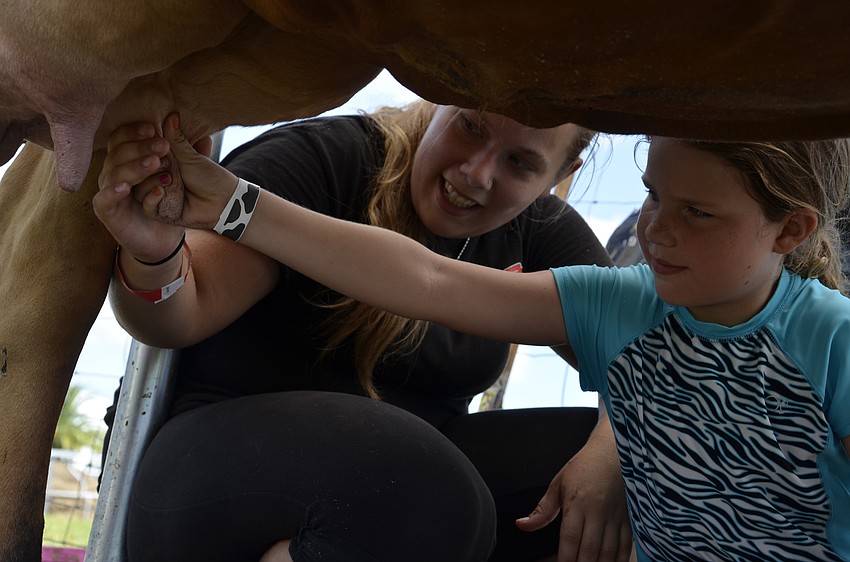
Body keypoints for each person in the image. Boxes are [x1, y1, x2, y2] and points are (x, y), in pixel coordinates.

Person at [98, 120, 850, 561]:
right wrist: (234, 204)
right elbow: (427, 280)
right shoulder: (620, 298)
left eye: (698, 213)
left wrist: (614, 440)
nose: (654, 230)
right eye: (652, 195)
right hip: (227, 472)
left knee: (554, 485)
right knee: (418, 482)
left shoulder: (829, 340)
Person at [94, 104, 634, 562]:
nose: (476, 172)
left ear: (561, 171)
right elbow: (180, 314)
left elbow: (646, 362)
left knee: (619, 470)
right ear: (440, 98)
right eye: (470, 126)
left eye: (520, 163)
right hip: (211, 471)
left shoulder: (540, 232)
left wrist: (618, 448)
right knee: (419, 486)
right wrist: (156, 255)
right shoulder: (329, 158)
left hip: (410, 490)